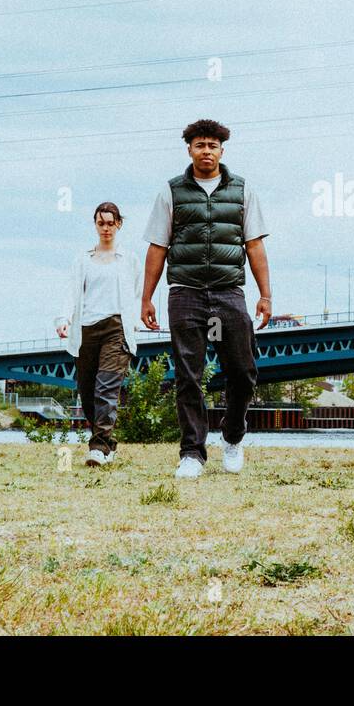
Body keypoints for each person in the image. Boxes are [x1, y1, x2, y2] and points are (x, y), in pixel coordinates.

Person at [140, 119, 272, 479]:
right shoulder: (171, 192)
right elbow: (157, 246)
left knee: (243, 371)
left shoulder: (243, 191)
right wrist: (146, 298)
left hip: (230, 292)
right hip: (185, 292)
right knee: (188, 374)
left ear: (222, 151)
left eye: (213, 146)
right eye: (200, 145)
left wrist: (265, 295)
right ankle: (192, 453)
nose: (207, 151)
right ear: (189, 150)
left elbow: (255, 245)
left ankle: (232, 437)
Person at [55, 202, 143, 467]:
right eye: (101, 222)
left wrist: (135, 322)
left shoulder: (129, 260)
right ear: (95, 225)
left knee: (107, 386)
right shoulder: (83, 259)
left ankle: (99, 448)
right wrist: (64, 319)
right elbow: (71, 291)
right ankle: (108, 443)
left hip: (117, 327)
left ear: (119, 224)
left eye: (110, 222)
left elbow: (137, 292)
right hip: (87, 329)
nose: (106, 227)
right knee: (88, 389)